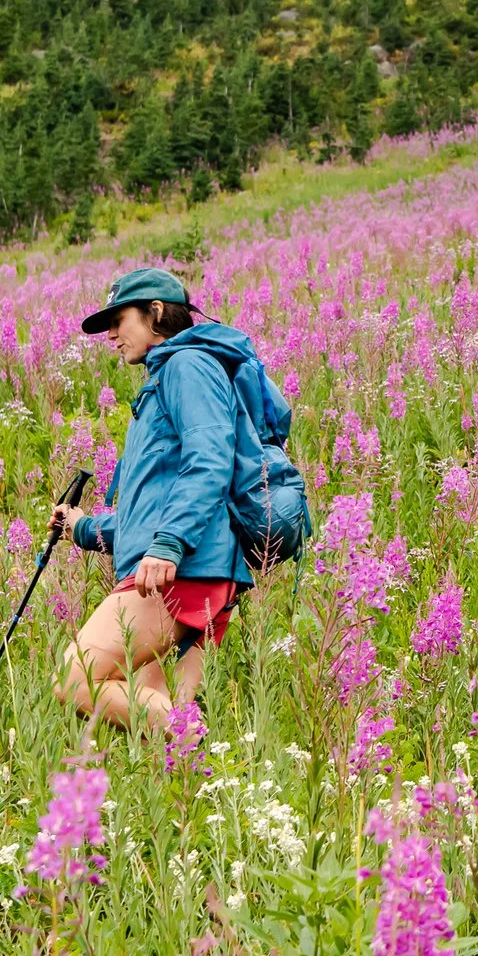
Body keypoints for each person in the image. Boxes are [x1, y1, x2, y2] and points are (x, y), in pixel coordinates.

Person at [53, 267, 292, 729]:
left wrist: (169, 544)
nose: (111, 335)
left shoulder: (187, 365)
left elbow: (209, 461)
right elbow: (152, 510)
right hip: (190, 566)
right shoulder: (166, 379)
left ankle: (209, 751)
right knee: (156, 719)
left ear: (156, 312)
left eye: (119, 320)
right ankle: (217, 778)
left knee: (74, 677)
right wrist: (80, 527)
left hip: (181, 570)